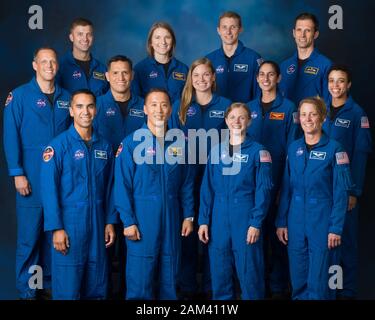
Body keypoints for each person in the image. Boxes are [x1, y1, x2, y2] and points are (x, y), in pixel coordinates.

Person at [3, 47, 71, 299]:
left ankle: (49, 283)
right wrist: (17, 172)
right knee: (30, 237)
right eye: (44, 62)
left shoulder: (67, 98)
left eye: (53, 61)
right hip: (31, 176)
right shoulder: (19, 97)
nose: (49, 66)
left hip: (60, 179)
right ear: (35, 65)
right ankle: (27, 289)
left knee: (53, 233)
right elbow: (11, 137)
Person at [114, 88, 195, 300]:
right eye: (154, 105)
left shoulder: (181, 144)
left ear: (170, 111)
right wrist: (128, 221)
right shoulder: (131, 144)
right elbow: (121, 186)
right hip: (142, 215)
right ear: (145, 109)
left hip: (172, 214)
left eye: (164, 105)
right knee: (141, 272)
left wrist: (188, 215)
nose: (159, 110)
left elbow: (187, 183)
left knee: (171, 270)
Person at [40, 89, 116, 300]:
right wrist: (56, 228)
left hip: (98, 223)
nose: (86, 111)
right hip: (70, 224)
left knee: (97, 285)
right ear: (71, 110)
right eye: (80, 106)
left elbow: (111, 187)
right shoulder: (57, 147)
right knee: (68, 288)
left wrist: (109, 221)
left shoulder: (105, 147)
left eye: (90, 106)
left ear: (96, 109)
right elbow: (49, 191)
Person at [276, 97, 353, 300]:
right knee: (299, 276)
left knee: (322, 280)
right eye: (303, 114)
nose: (307, 119)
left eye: (313, 114)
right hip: (295, 220)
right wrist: (281, 221)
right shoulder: (293, 148)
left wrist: (335, 228)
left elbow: (341, 194)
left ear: (322, 117)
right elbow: (286, 188)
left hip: (323, 220)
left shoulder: (335, 149)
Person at [169, 57, 231, 298]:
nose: (201, 79)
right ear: (190, 79)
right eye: (197, 76)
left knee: (213, 232)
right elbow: (173, 145)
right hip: (186, 179)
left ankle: (210, 285)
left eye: (206, 75)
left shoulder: (226, 105)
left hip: (216, 178)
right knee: (187, 231)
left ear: (213, 77)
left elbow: (232, 144)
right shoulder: (180, 107)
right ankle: (187, 287)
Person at [198, 102, 273, 299]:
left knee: (250, 272)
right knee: (219, 270)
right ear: (226, 121)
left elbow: (263, 190)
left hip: (245, 215)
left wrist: (256, 223)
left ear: (249, 121)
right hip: (219, 216)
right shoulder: (216, 151)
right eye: (232, 117)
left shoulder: (259, 152)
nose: (236, 121)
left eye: (241, 117)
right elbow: (207, 188)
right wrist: (204, 221)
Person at [247, 60, 299, 298]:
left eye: (270, 75)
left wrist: (284, 188)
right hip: (250, 186)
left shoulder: (289, 109)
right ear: (257, 79)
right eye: (261, 75)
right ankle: (256, 287)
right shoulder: (248, 109)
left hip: (278, 183)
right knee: (254, 236)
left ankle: (278, 287)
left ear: (278, 78)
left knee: (279, 235)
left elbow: (293, 153)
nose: (265, 79)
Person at [323, 65, 372, 299]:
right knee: (326, 243)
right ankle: (329, 290)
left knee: (346, 243)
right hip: (322, 190)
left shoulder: (357, 114)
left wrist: (354, 191)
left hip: (344, 191)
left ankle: (347, 291)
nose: (335, 86)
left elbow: (361, 155)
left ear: (348, 85)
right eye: (332, 81)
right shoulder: (319, 109)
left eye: (340, 81)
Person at [206, 11, 262, 103]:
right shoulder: (209, 60)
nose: (228, 32)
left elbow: (260, 94)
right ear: (218, 30)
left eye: (233, 27)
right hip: (216, 115)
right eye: (224, 27)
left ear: (240, 29)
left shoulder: (254, 58)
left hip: (244, 115)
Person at [279, 13, 331, 105]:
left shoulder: (326, 66)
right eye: (299, 30)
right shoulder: (284, 66)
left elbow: (330, 103)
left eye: (307, 30)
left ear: (315, 34)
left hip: (313, 119)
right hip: (289, 119)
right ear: (294, 33)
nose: (302, 35)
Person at [95, 55, 145, 151]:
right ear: (107, 76)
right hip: (105, 164)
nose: (121, 78)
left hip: (136, 164)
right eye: (115, 73)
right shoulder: (96, 105)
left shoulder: (144, 106)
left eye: (125, 72)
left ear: (132, 75)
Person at [132, 22, 188, 104]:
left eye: (167, 37)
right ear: (151, 42)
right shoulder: (139, 69)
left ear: (172, 41)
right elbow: (136, 101)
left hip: (178, 116)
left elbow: (188, 99)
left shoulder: (183, 69)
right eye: (157, 37)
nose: (163, 42)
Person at [57, 18, 109, 96]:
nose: (85, 39)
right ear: (71, 37)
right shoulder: (60, 67)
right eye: (80, 34)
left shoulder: (102, 69)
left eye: (89, 34)